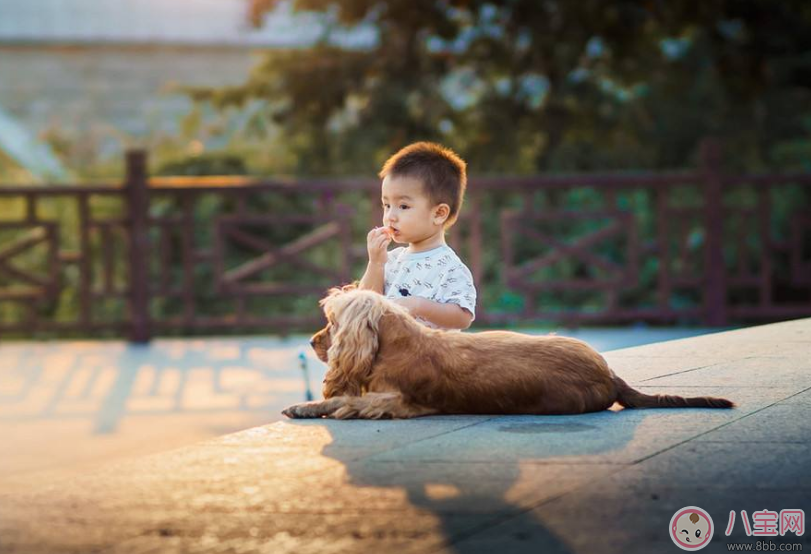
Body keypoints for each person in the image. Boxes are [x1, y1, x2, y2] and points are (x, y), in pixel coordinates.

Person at [358, 142, 476, 330]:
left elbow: (463, 317)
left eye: (403, 206)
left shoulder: (450, 267)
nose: (390, 216)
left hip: (432, 357)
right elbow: (365, 305)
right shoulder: (391, 260)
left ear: (439, 214)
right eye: (386, 205)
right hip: (393, 357)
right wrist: (375, 264)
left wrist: (419, 306)